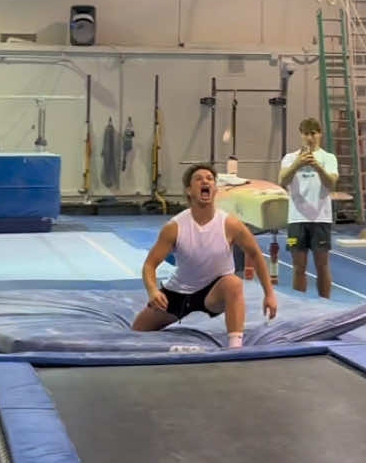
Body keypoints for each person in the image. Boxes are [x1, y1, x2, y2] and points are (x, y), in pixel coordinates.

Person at [133, 162, 277, 344]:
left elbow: (255, 254)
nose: (205, 181)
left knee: (233, 282)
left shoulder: (230, 225)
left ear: (215, 189)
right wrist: (153, 291)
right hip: (178, 293)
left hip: (213, 294)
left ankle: (235, 347)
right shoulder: (174, 227)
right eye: (198, 179)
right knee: (137, 330)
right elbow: (149, 265)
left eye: (210, 179)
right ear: (189, 191)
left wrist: (269, 294)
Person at [279, 116, 338, 298]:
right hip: (296, 220)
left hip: (321, 219)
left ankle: (325, 305)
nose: (309, 138)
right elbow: (282, 181)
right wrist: (298, 164)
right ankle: (300, 307)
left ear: (319, 134)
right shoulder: (289, 158)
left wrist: (317, 167)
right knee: (298, 267)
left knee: (322, 265)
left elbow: (331, 184)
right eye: (306, 134)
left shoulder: (328, 158)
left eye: (313, 133)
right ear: (301, 135)